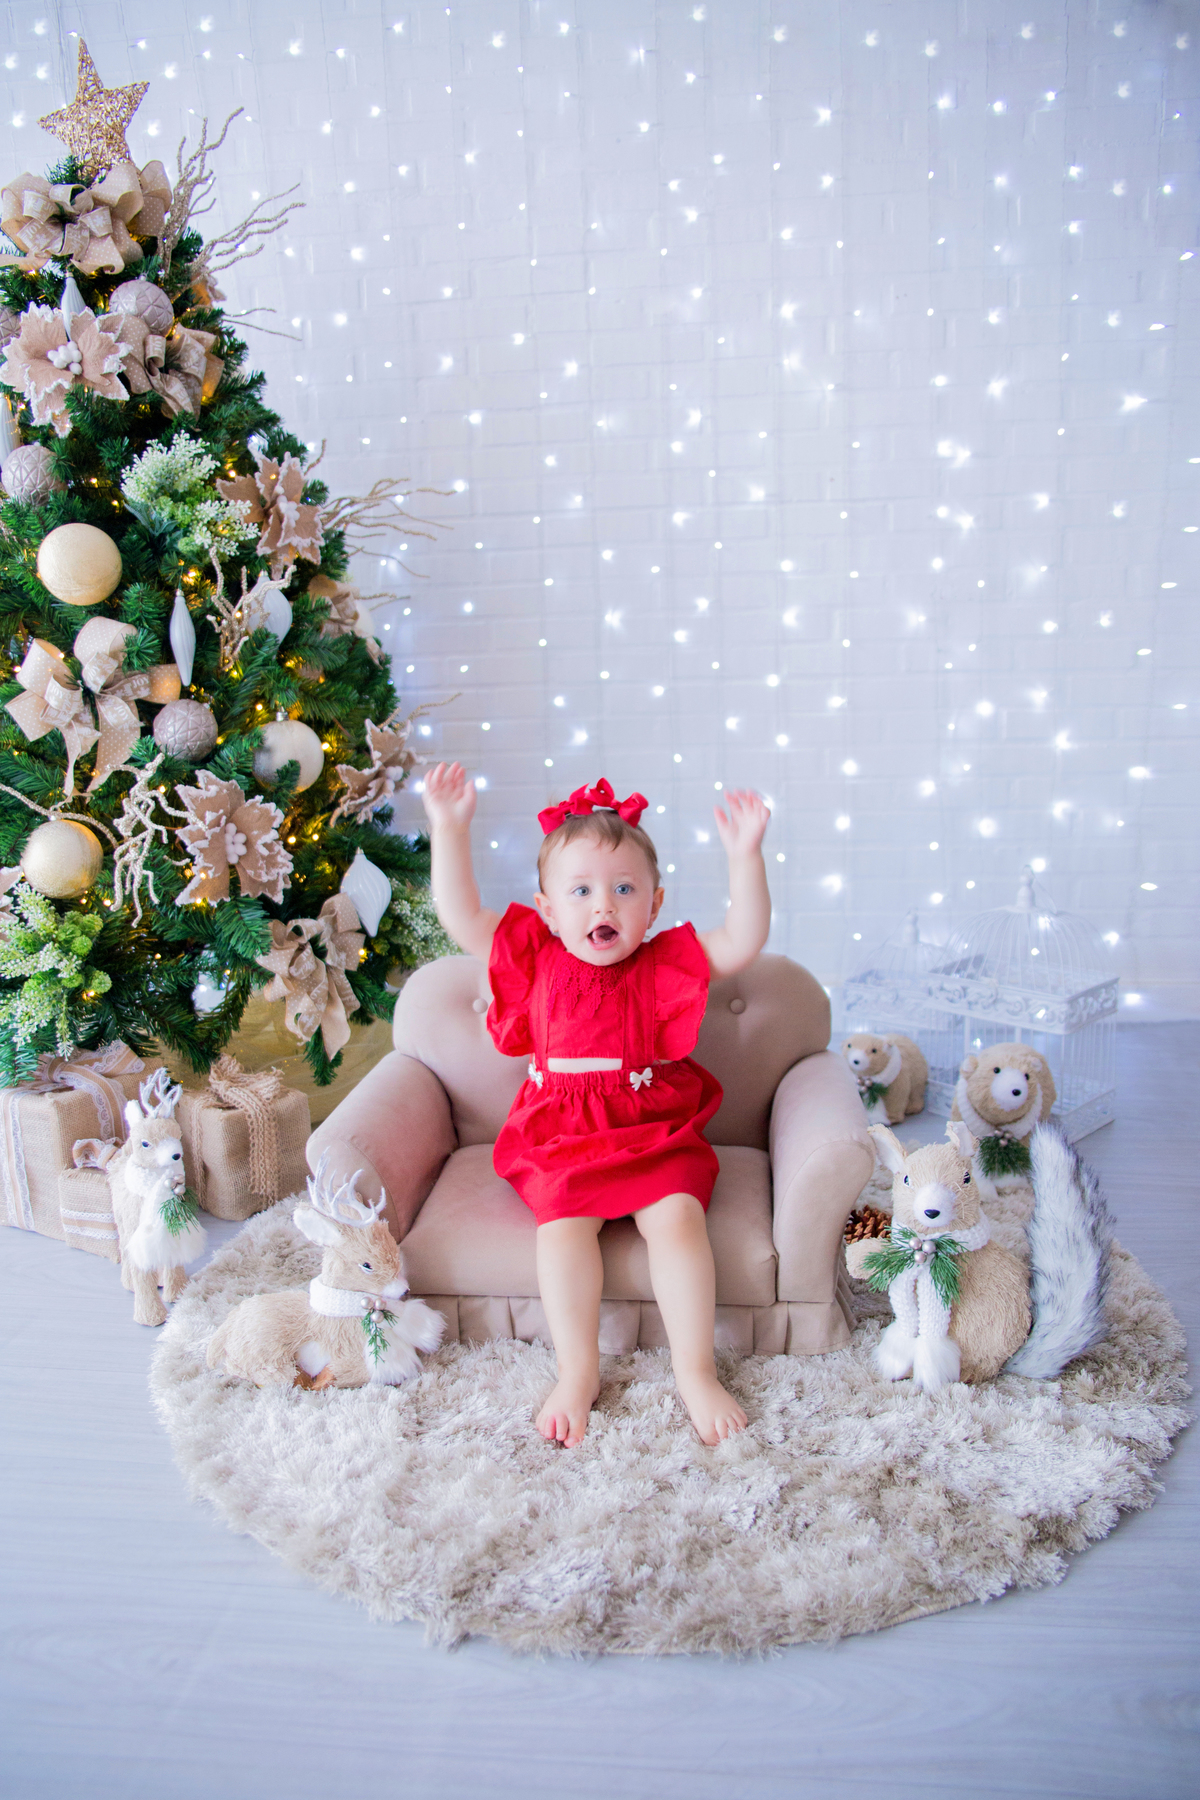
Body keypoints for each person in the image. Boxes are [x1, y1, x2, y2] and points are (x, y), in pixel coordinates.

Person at [421, 766, 772, 1447]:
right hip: (561, 1128)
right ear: (548, 909)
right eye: (579, 891)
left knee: (675, 1218)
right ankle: (577, 1370)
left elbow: (742, 939)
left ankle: (695, 1370)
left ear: (654, 903)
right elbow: (461, 914)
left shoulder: (664, 960)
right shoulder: (535, 954)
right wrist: (449, 828)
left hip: (649, 1124)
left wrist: (745, 856)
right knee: (562, 1229)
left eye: (622, 890)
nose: (601, 907)